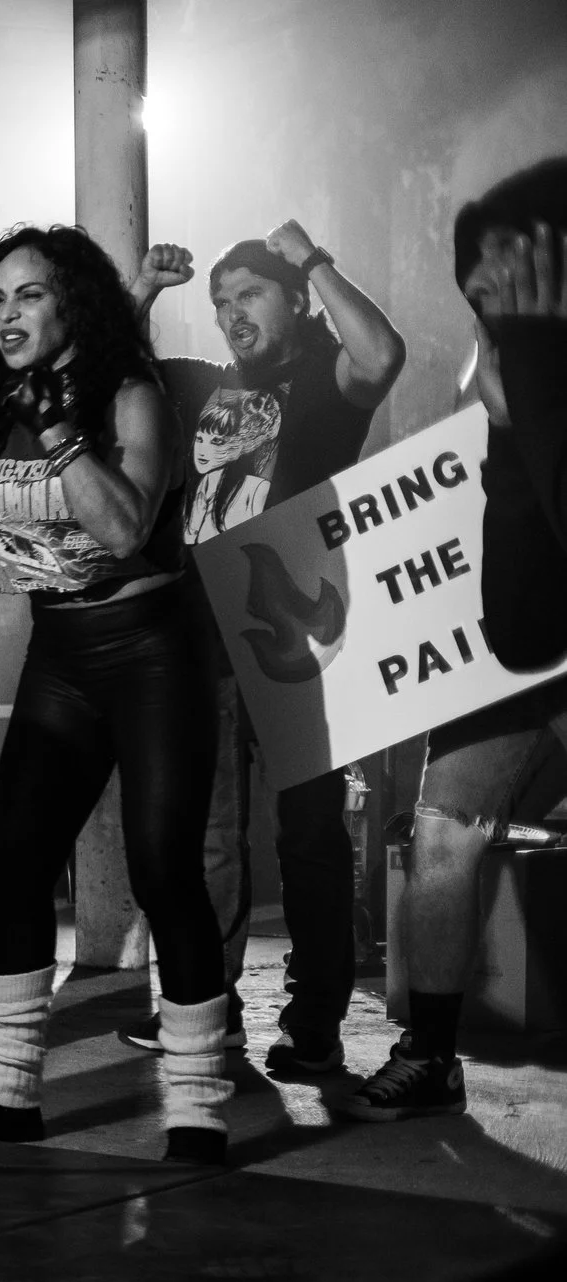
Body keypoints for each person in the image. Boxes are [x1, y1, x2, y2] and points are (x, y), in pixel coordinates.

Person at [0, 224, 232, 1164]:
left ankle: (195, 1107)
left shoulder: (129, 393)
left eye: (28, 294)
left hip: (152, 648)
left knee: (163, 869)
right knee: (12, 864)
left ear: (71, 301)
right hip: (64, 654)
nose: (8, 313)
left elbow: (123, 526)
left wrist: (64, 431)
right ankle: (9, 1090)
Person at [120, 216, 407, 1075]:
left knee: (311, 835)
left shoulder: (325, 383)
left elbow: (384, 355)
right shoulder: (207, 387)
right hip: (202, 642)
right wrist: (142, 295)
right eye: (220, 302)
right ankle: (209, 1012)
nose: (232, 313)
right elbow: (117, 384)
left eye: (249, 294)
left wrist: (312, 258)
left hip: (304, 643)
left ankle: (314, 1024)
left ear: (293, 301)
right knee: (205, 836)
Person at [346, 161, 567, 1120]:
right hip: (528, 643)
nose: (495, 307)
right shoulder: (504, 362)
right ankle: (430, 1051)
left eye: (513, 282)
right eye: (481, 293)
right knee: (443, 826)